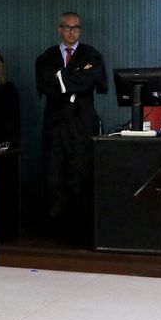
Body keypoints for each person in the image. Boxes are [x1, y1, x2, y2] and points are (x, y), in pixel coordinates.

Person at [34, 12, 107, 243]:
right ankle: (57, 230)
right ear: (59, 29)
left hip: (82, 122)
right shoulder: (46, 57)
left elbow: (94, 79)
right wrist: (78, 76)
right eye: (67, 27)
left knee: (81, 171)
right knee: (54, 173)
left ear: (80, 30)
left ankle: (82, 230)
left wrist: (63, 77)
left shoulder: (91, 54)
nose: (71, 32)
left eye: (76, 28)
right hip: (55, 122)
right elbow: (47, 85)